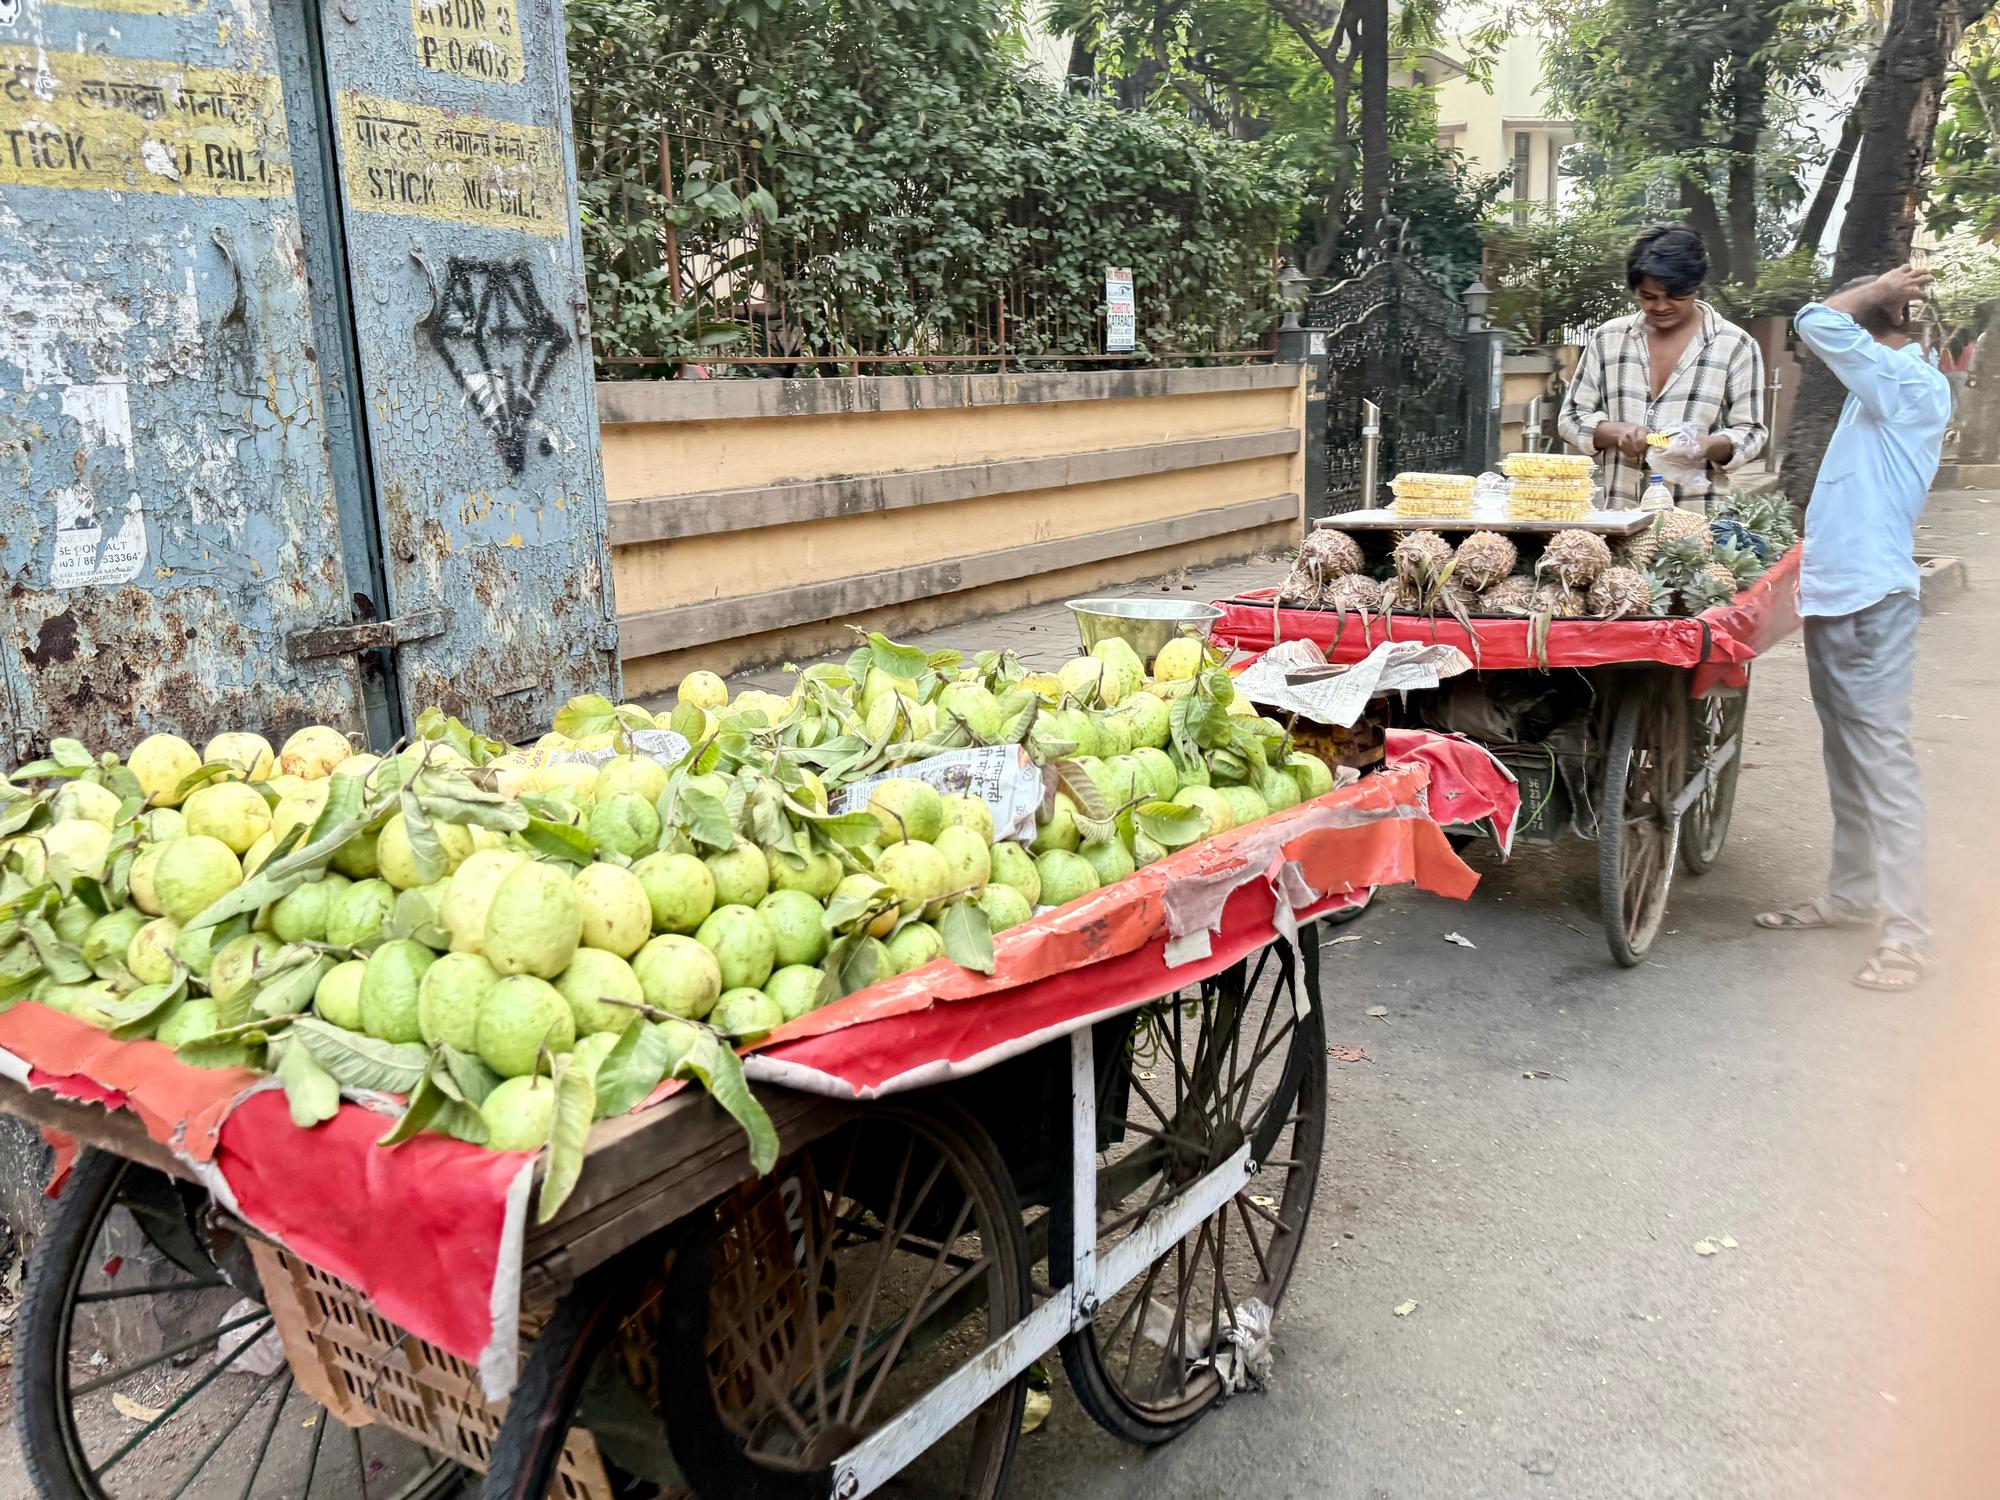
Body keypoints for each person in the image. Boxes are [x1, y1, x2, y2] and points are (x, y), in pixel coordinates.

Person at [1754, 265, 1950, 992]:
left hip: (1872, 603)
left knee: (1883, 765)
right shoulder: (1879, 393)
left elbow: (1815, 321)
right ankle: (1853, 895)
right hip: (1836, 600)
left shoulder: (1909, 385)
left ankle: (1907, 936)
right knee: (1848, 757)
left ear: (1875, 327)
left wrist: (1868, 292)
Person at [1558, 224, 1769, 510]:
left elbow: (1752, 432)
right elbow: (1570, 417)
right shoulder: (1609, 338)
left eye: (1675, 296)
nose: (1661, 306)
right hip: (1618, 519)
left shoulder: (1736, 346)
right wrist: (1616, 432)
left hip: (1696, 530)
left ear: (1696, 286)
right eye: (1648, 296)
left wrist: (1705, 445)